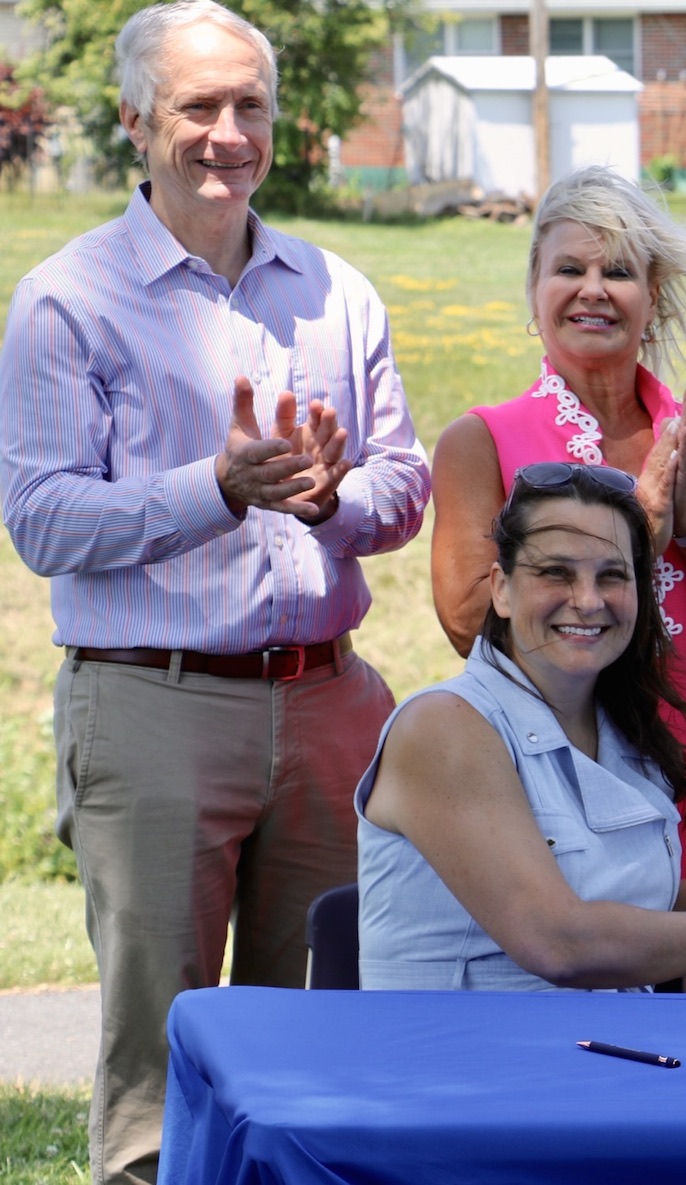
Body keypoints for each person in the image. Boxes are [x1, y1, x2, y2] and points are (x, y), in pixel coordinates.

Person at [0, 3, 430, 1180]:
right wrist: (218, 489)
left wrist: (332, 500)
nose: (228, 132)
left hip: (329, 701)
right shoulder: (67, 297)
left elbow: (402, 486)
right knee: (164, 1050)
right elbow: (43, 519)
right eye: (199, 106)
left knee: (318, 1040)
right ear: (136, 120)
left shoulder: (335, 290)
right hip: (155, 703)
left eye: (250, 105)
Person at [359, 462, 686, 992]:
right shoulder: (442, 728)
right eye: (556, 572)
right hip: (467, 1046)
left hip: (603, 1041)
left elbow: (643, 916)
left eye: (612, 575)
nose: (589, 600)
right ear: (501, 589)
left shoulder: (621, 727)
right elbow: (559, 942)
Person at [430, 165, 686, 880]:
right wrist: (643, 524)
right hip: (550, 782)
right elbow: (468, 624)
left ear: (652, 298)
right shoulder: (481, 441)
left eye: (618, 272)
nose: (593, 289)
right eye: (570, 269)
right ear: (535, 288)